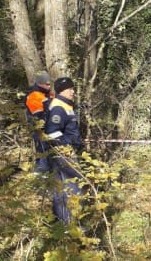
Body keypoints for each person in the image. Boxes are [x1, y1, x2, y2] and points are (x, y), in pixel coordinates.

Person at [45, 77, 83, 224]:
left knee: (65, 188)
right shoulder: (58, 107)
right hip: (63, 153)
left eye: (73, 88)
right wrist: (68, 144)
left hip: (66, 151)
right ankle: (69, 226)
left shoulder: (66, 105)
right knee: (71, 188)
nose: (73, 92)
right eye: (70, 89)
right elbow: (52, 132)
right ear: (62, 91)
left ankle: (65, 224)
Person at [25, 70, 53, 173]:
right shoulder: (34, 96)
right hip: (40, 131)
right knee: (43, 157)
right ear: (40, 83)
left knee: (50, 157)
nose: (49, 86)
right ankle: (39, 179)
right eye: (47, 84)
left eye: (50, 83)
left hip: (50, 131)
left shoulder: (48, 94)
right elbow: (38, 118)